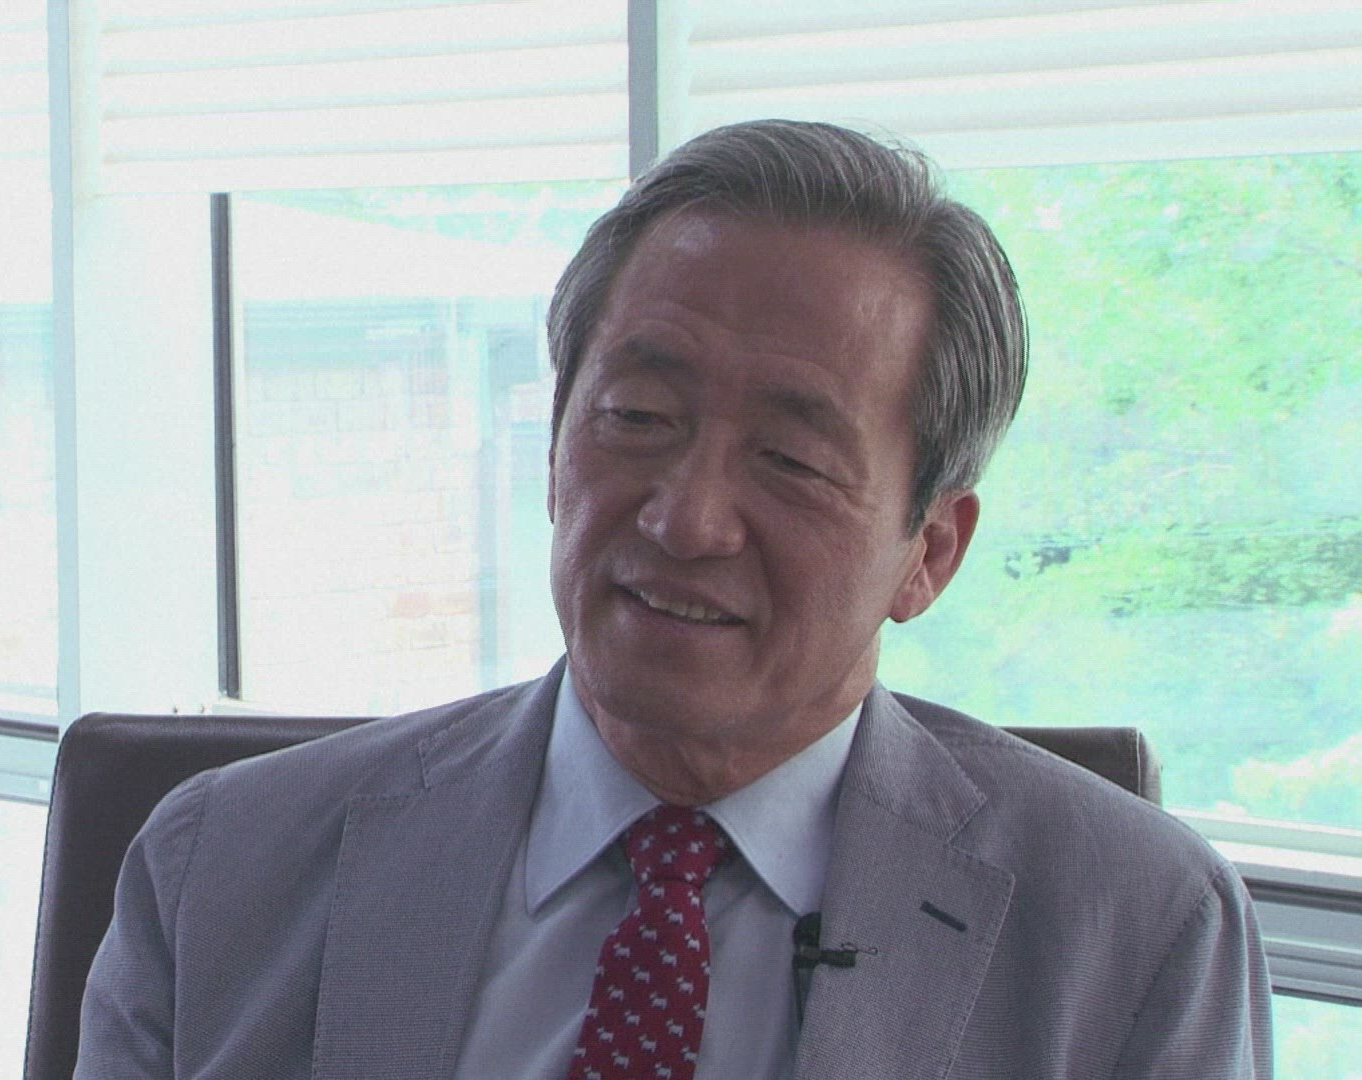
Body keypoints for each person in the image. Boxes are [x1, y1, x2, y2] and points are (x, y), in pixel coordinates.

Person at [74, 120, 1272, 1079]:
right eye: (636, 418)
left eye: (792, 461)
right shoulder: (222, 868)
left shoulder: (1138, 928)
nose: (686, 520)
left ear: (930, 553)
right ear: (555, 449)